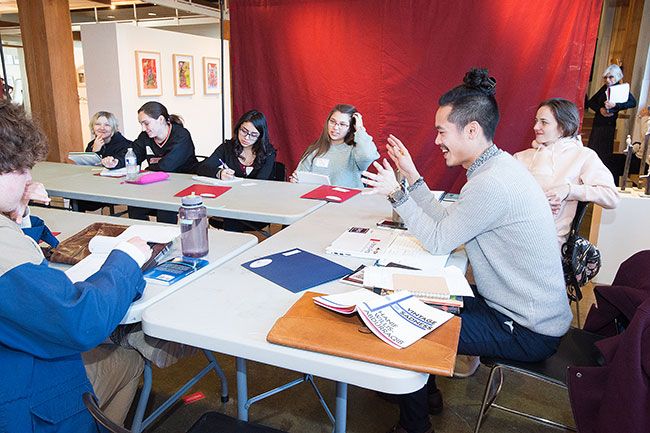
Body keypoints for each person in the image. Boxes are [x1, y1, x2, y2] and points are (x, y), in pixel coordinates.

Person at [361, 68, 573, 433]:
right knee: (417, 299)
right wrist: (411, 174)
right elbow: (447, 222)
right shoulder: (495, 170)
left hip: (525, 329)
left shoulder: (492, 183)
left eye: (442, 131)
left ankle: (415, 426)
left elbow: (440, 239)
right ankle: (425, 395)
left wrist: (397, 193)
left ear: (471, 130)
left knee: (411, 325)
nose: (437, 139)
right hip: (513, 308)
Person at [0, 99, 151, 432]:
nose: (28, 178)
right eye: (22, 168)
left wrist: (19, 220)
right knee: (128, 359)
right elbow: (79, 320)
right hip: (22, 401)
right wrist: (126, 259)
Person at [514, 98, 619, 245]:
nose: (536, 127)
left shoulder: (583, 156)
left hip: (549, 243)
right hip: (512, 234)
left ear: (563, 127)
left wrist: (569, 190)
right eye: (536, 121)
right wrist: (537, 203)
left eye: (544, 122)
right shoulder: (522, 157)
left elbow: (611, 197)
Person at [196, 109, 277, 231]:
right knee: (229, 212)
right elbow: (202, 168)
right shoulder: (227, 148)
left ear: (261, 136)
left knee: (231, 214)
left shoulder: (268, 153)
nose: (246, 137)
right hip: (231, 203)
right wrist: (220, 173)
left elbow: (261, 182)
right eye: (243, 131)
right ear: (238, 127)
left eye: (253, 135)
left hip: (256, 205)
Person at [128, 101, 199, 224]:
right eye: (141, 124)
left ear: (160, 119)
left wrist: (148, 170)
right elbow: (132, 156)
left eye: (146, 123)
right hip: (157, 184)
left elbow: (167, 166)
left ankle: (164, 241)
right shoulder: (145, 137)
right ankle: (141, 236)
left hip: (182, 185)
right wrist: (115, 161)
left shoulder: (181, 135)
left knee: (164, 208)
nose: (143, 128)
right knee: (134, 204)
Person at [289, 104, 379, 188]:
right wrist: (296, 181)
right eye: (332, 122)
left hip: (348, 203)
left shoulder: (356, 151)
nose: (335, 127)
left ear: (350, 128)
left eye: (342, 124)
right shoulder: (315, 149)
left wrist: (360, 129)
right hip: (316, 201)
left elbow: (368, 156)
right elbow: (301, 177)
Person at [586, 64, 637, 177]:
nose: (608, 80)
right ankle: (590, 174)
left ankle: (600, 176)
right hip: (598, 122)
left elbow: (632, 103)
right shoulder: (605, 88)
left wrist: (616, 105)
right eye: (606, 77)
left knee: (604, 152)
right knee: (593, 149)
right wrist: (600, 110)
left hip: (609, 125)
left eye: (611, 77)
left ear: (618, 77)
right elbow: (590, 102)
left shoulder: (621, 88)